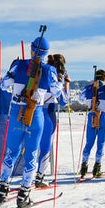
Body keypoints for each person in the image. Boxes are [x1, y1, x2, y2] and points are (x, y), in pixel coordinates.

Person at [0, 36, 61, 208]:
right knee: (31, 154)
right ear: (46, 53)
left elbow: (4, 85)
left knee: (11, 152)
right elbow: (56, 93)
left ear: (32, 49)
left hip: (16, 113)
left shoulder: (19, 65)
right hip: (36, 114)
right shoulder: (50, 70)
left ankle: (2, 188)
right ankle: (24, 193)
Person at [34, 53, 70, 187]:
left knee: (32, 145)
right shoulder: (55, 75)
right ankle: (40, 177)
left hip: (34, 111)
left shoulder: (41, 71)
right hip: (48, 113)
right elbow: (64, 101)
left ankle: (29, 176)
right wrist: (66, 83)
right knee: (45, 146)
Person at [78, 69, 105, 178]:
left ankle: (84, 167)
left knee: (89, 143)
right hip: (104, 115)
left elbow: (81, 100)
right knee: (101, 143)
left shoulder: (88, 87)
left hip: (92, 115)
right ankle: (97, 167)